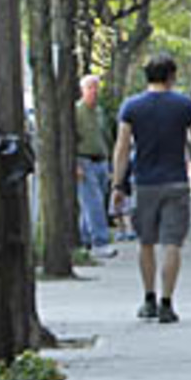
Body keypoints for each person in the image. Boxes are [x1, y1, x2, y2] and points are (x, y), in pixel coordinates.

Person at [112, 54, 191, 324]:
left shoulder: (131, 107)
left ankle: (148, 298)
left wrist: (118, 184)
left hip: (144, 182)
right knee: (172, 243)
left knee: (146, 242)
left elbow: (122, 147)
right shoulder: (185, 106)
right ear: (171, 76)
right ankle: (167, 302)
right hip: (176, 180)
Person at [75, 74, 116, 259]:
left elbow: (105, 136)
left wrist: (110, 165)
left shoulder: (99, 112)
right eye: (90, 87)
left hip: (101, 161)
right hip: (84, 160)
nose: (94, 91)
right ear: (82, 90)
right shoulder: (76, 111)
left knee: (90, 204)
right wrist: (75, 165)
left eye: (96, 87)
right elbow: (72, 139)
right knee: (94, 202)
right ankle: (101, 241)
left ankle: (84, 240)